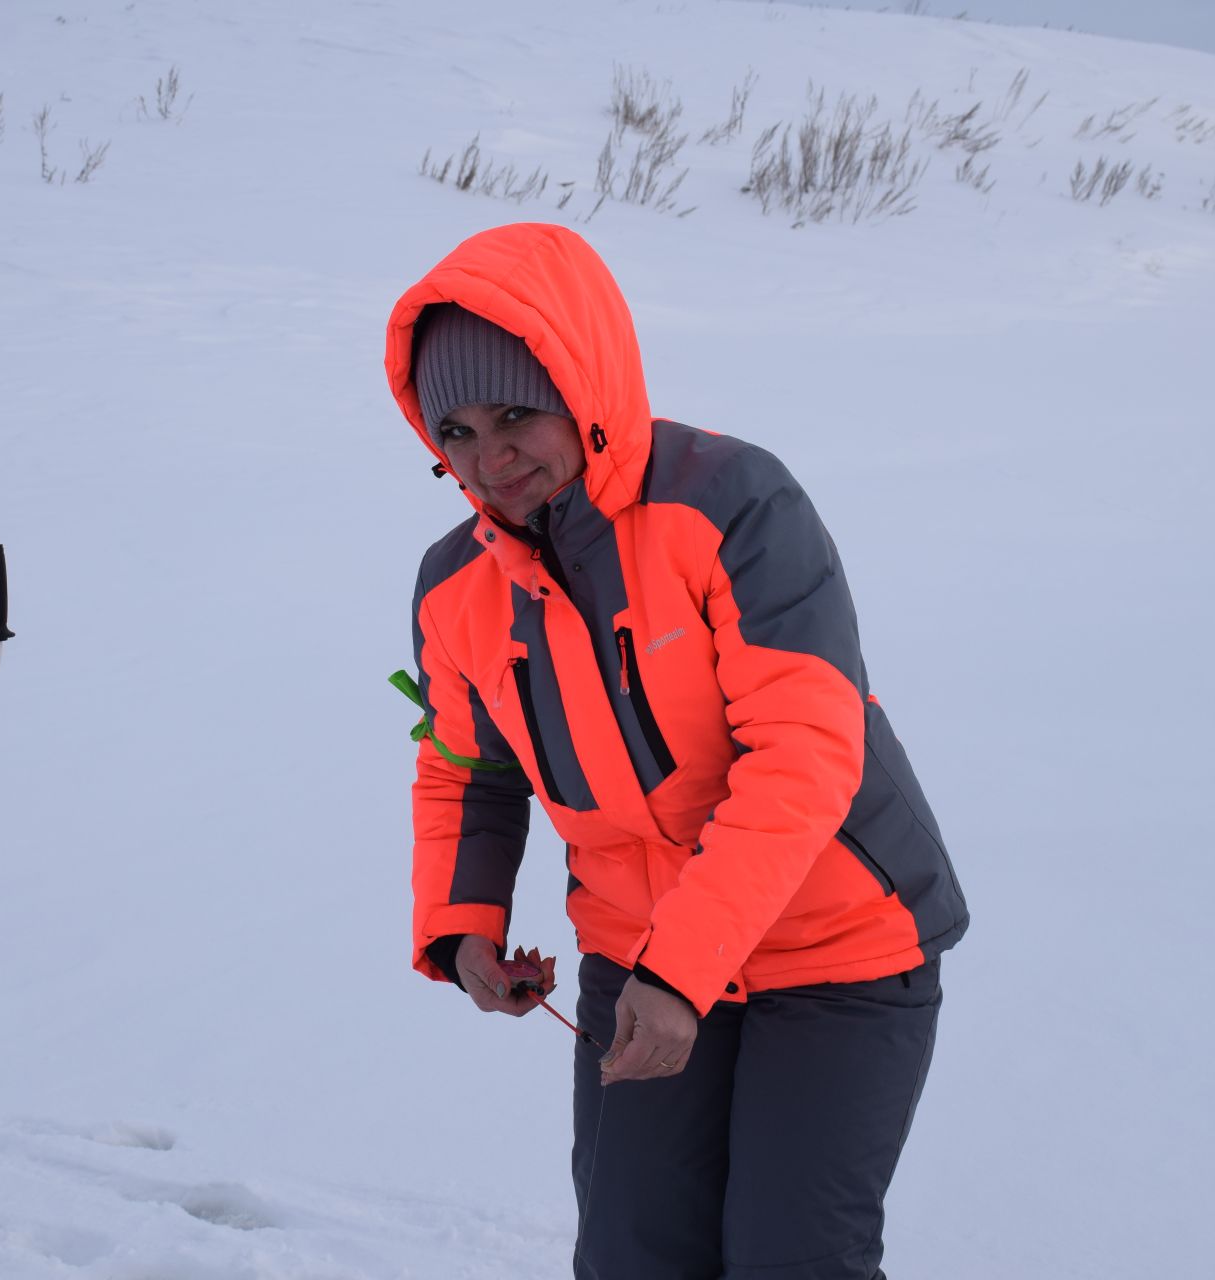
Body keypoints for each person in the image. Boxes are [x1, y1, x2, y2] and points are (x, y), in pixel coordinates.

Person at [387, 222, 968, 1280]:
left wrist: (681, 970)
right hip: (634, 951)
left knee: (792, 1257)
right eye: (456, 431)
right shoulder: (453, 585)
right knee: (632, 1255)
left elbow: (803, 752)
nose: (491, 456)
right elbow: (466, 770)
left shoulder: (732, 504)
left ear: (584, 382)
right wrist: (463, 928)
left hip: (837, 945)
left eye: (517, 411)